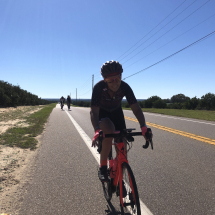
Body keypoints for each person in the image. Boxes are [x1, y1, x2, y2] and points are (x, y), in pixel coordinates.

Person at [90, 60, 152, 182]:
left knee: (122, 146)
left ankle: (118, 180)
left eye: (117, 79)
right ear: (104, 80)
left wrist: (143, 127)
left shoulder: (125, 87)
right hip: (102, 113)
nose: (114, 83)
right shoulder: (98, 88)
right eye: (110, 80)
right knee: (109, 131)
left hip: (116, 112)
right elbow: (94, 111)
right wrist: (97, 129)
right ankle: (103, 167)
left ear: (121, 77)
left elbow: (136, 108)